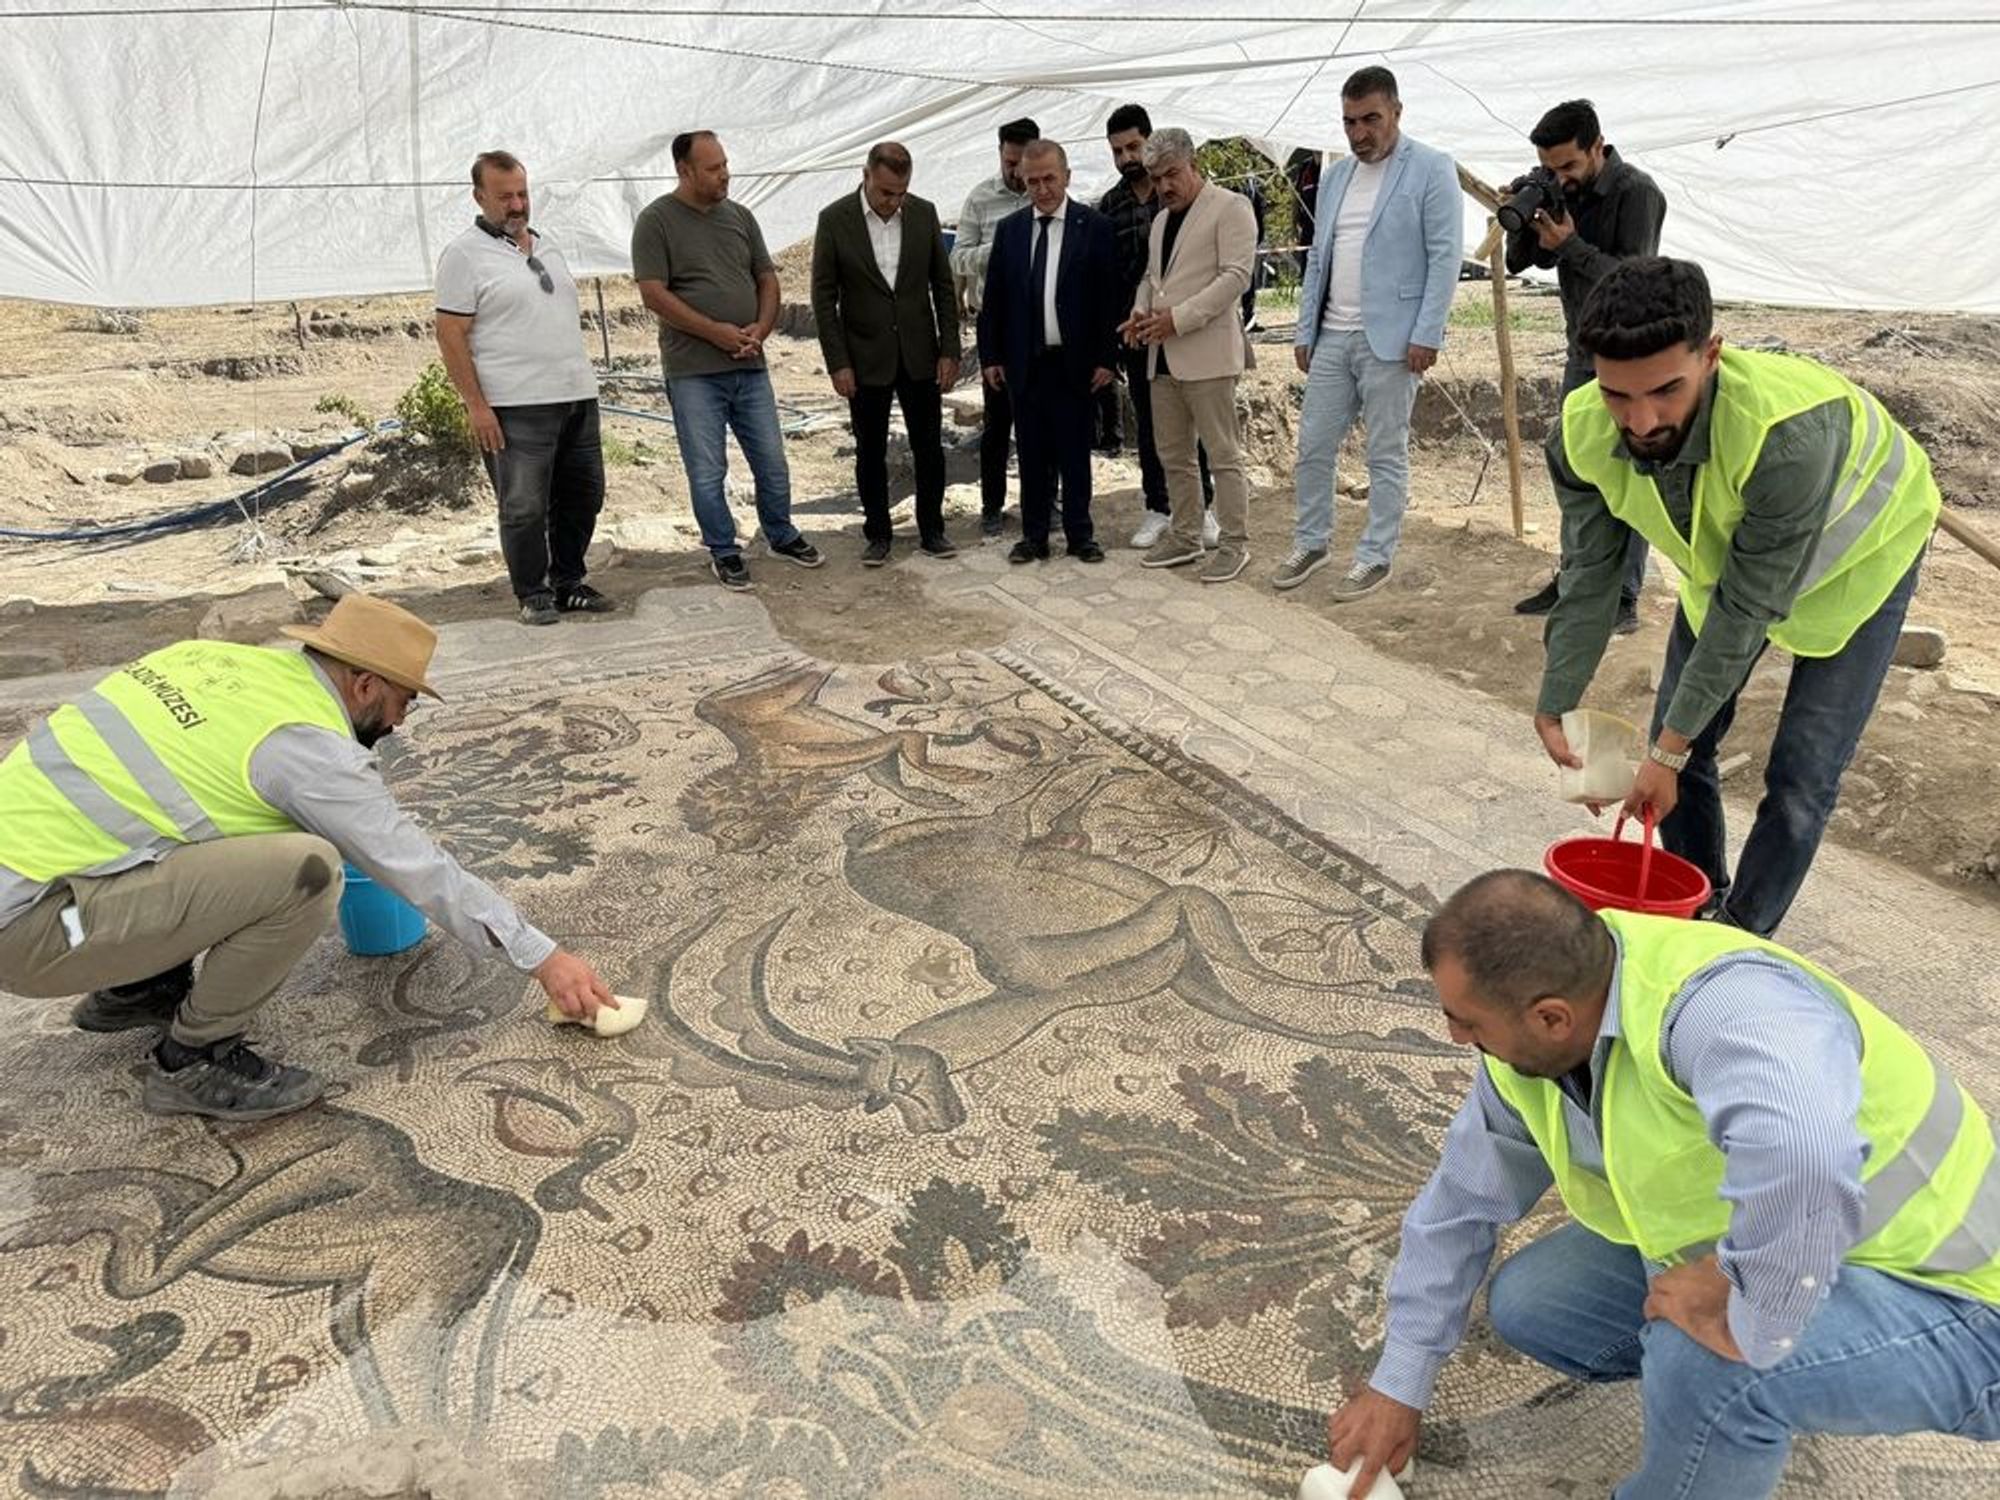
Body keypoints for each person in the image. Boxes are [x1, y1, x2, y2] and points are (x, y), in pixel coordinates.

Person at [1326, 869, 2000, 1500]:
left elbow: (1812, 1156)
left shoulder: (1719, 1007)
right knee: (1533, 1303)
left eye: (1466, 1021)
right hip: (1806, 1240)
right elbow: (1458, 1205)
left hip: (1956, 1296)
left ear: (1551, 1016)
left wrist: (1747, 1289)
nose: (1452, 1035)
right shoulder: (1536, 1036)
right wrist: (1399, 1382)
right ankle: (1792, 1359)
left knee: (1712, 1364)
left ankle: (1755, 1386)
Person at [0, 594, 618, 1122]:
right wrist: (544, 957)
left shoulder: (211, 662)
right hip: (39, 928)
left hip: (54, 884)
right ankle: (192, 1059)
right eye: (405, 702)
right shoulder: (304, 746)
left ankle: (139, 986)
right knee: (308, 869)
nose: (401, 723)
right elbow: (414, 865)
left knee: (223, 819)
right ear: (364, 683)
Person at [1535, 257, 1940, 938]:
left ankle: (1740, 939)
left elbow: (1748, 609)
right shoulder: (1580, 435)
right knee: (1680, 747)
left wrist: (1665, 754)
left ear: (1712, 355)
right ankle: (1697, 909)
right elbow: (1592, 575)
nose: (1639, 420)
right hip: (1729, 575)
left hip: (1864, 562)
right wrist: (1556, 699)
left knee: (1801, 775)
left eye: (1665, 391)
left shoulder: (1783, 438)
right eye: (1617, 395)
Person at [1275, 66, 1460, 602]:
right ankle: (1312, 542)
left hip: (1396, 340)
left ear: (1396, 113)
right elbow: (1319, 260)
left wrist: (1428, 332)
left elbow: (1445, 257)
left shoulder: (1431, 168)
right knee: (1312, 447)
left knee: (1385, 453)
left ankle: (1375, 554)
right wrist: (1306, 328)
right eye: (1350, 121)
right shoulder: (1334, 177)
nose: (1359, 133)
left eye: (1370, 119)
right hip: (1333, 334)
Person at [631, 130, 823, 591]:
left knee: (772, 461)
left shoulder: (740, 216)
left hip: (749, 363)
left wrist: (761, 326)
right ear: (685, 171)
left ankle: (780, 533)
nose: (724, 174)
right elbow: (654, 294)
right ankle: (724, 548)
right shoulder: (656, 221)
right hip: (694, 370)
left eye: (724, 164)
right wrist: (714, 332)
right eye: (713, 168)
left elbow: (766, 277)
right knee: (707, 467)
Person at [1508, 100, 1668, 635]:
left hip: (1630, 359)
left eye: (1569, 167)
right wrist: (1525, 216)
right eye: (1551, 169)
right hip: (1582, 353)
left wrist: (1571, 245)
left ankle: (1624, 595)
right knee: (1573, 467)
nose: (1562, 179)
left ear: (1598, 146)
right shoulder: (1560, 188)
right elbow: (1522, 263)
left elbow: (1634, 283)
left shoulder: (1637, 194)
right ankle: (1576, 577)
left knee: (1628, 472)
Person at [433, 150, 610, 627]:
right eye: (505, 196)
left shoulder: (546, 244)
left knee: (586, 493)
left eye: (523, 194)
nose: (517, 205)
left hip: (575, 395)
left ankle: (568, 581)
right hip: (514, 404)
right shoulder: (463, 254)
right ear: (479, 197)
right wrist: (476, 406)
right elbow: (450, 334)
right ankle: (533, 593)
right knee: (524, 506)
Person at [810, 141, 961, 566]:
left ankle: (932, 530)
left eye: (901, 192)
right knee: (870, 450)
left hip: (919, 353)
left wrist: (949, 348)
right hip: (864, 358)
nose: (894, 202)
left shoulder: (924, 213)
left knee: (929, 446)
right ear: (866, 176)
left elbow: (943, 287)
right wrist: (838, 362)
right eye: (885, 193)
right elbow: (823, 298)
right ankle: (878, 534)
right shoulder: (835, 220)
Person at [1121, 127, 1258, 586]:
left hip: (1208, 352)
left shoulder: (1231, 207)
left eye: (1172, 175)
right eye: (1157, 178)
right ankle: (1185, 534)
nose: (1164, 187)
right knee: (1173, 455)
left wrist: (1177, 319)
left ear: (1193, 164)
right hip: (1160, 354)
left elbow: (1236, 277)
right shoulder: (1160, 220)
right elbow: (1151, 276)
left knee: (1223, 453)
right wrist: (1141, 309)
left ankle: (1235, 543)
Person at [975, 139, 1119, 566]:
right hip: (1025, 362)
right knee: (1033, 454)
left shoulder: (1094, 227)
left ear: (1067, 177)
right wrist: (991, 356)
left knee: (1075, 452)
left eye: (1049, 179)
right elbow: (994, 300)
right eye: (1032, 181)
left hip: (1074, 363)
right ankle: (1033, 536)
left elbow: (1107, 300)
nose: (1042, 189)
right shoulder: (1011, 230)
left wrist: (1106, 359)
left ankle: (1080, 535)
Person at [951, 117, 1040, 540]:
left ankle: (1043, 502)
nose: (1016, 173)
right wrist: (1001, 247)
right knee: (999, 421)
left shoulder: (1048, 192)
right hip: (998, 323)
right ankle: (991, 507)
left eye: (1022, 163)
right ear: (1000, 155)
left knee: (1041, 419)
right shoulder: (980, 199)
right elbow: (958, 258)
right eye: (1009, 162)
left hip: (1043, 322)